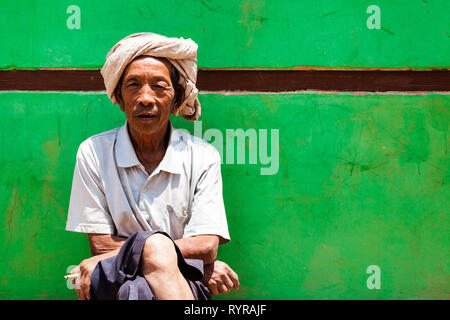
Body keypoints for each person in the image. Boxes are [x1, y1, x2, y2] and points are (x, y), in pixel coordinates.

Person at [65, 32, 239, 300]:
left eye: (159, 86)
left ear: (176, 100)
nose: (146, 98)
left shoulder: (202, 156)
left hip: (181, 277)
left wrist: (153, 253)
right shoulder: (94, 152)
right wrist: (168, 254)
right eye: (134, 85)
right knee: (134, 289)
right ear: (120, 99)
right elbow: (100, 246)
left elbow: (206, 246)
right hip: (120, 278)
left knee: (137, 290)